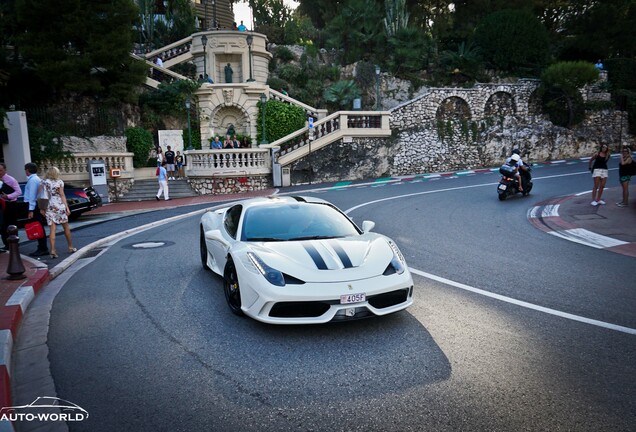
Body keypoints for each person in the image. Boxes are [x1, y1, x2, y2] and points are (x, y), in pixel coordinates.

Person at [41, 167, 76, 259]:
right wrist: (67, 207)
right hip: (59, 206)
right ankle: (70, 246)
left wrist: (42, 208)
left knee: (52, 229)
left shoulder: (44, 182)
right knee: (66, 227)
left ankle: (52, 250)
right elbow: (62, 195)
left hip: (49, 206)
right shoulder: (59, 182)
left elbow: (42, 196)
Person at [24, 163, 49, 257]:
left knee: (37, 226)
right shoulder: (35, 179)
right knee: (38, 226)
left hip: (33, 206)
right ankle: (42, 247)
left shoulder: (33, 180)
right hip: (35, 206)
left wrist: (30, 210)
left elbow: (32, 196)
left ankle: (42, 248)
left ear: (27, 170)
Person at [0, 163, 22, 252]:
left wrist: (8, 196)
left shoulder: (11, 180)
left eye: (0, 170)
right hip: (1, 205)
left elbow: (19, 192)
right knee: (3, 225)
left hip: (10, 205)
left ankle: (14, 244)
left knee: (11, 225)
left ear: (5, 170)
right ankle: (6, 244)